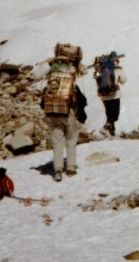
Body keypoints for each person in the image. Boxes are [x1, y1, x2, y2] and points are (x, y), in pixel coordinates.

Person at [37, 44, 87, 182]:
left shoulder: (51, 65)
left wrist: (49, 61)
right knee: (71, 139)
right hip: (68, 110)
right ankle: (70, 167)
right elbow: (85, 71)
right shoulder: (73, 67)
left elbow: (35, 75)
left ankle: (58, 170)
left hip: (52, 110)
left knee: (57, 141)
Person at [95, 51, 127, 136]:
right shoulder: (117, 68)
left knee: (109, 114)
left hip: (104, 95)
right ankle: (106, 128)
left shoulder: (102, 68)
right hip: (114, 95)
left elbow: (97, 78)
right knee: (115, 115)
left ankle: (111, 132)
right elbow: (123, 80)